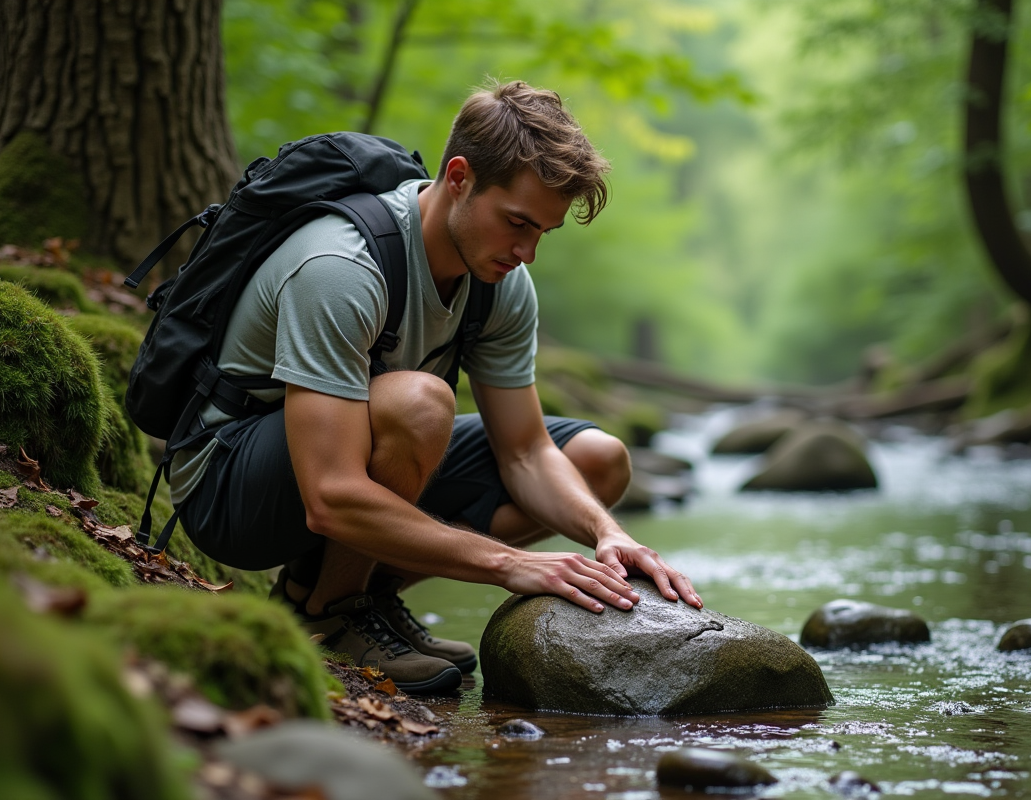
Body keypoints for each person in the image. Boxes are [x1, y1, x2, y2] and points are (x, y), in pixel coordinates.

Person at [167, 79, 702, 694]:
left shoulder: (501, 282)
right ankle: (331, 613)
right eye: (517, 222)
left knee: (598, 463)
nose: (527, 252)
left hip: (346, 457)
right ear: (459, 177)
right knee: (421, 403)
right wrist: (510, 565)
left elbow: (526, 453)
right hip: (228, 482)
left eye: (543, 233)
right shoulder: (341, 268)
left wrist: (609, 534)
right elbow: (331, 496)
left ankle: (352, 595)